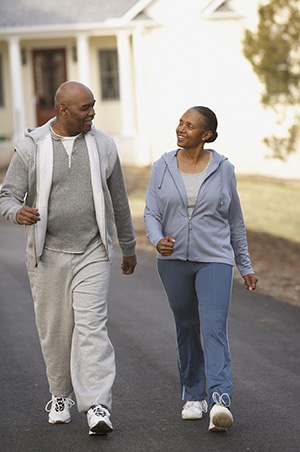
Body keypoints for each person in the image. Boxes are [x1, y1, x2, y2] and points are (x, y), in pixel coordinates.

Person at [0, 81, 137, 435]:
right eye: (86, 107)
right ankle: (59, 395)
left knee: (92, 327)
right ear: (63, 112)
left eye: (93, 105)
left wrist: (129, 246)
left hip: (92, 249)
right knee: (55, 331)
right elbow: (7, 196)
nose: (93, 112)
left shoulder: (104, 145)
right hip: (48, 254)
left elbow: (118, 199)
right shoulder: (31, 147)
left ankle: (97, 406)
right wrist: (18, 213)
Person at [144, 106, 257, 432]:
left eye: (189, 126)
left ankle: (220, 399)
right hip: (174, 260)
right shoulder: (162, 167)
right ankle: (193, 395)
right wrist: (156, 239)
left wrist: (244, 265)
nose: (181, 129)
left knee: (213, 326)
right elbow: (151, 212)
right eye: (180, 123)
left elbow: (235, 220)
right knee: (187, 325)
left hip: (215, 259)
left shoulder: (223, 169)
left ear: (206, 135)